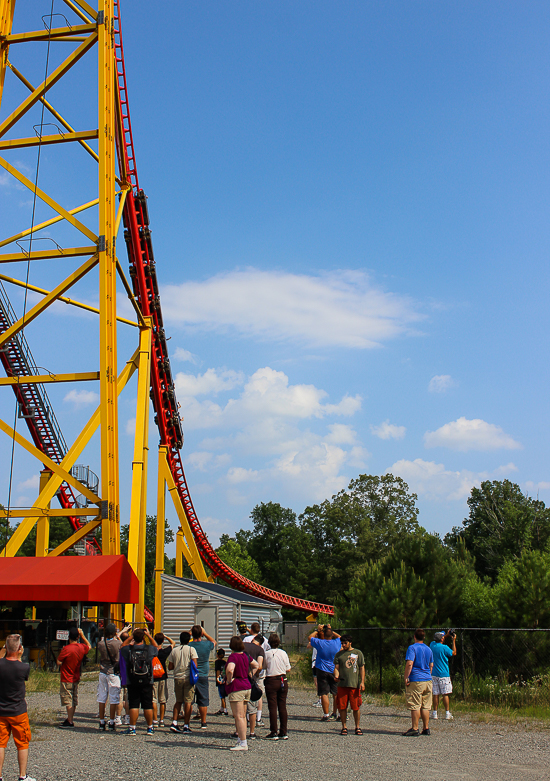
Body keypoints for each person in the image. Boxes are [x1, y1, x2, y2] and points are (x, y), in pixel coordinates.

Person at [0, 634, 35, 781]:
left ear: (6, 648)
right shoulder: (24, 667)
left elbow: (3, 658)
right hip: (18, 711)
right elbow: (20, 670)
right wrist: (19, 656)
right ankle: (22, 775)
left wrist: (3, 650)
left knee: (1, 743)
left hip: (1, 710)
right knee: (22, 743)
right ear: (20, 648)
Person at [119, 627, 159, 736]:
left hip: (132, 680)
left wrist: (132, 636)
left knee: (134, 705)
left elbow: (121, 646)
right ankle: (150, 728)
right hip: (147, 680)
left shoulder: (128, 650)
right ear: (143, 637)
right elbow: (157, 647)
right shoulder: (149, 649)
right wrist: (149, 636)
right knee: (147, 705)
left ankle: (132, 728)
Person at [225, 636, 258, 751]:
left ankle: (243, 742)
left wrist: (229, 680)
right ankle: (241, 739)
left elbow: (230, 669)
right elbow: (256, 665)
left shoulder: (233, 657)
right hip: (246, 686)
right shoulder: (246, 656)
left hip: (237, 687)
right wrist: (250, 674)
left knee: (238, 716)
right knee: (243, 715)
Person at [56, 626, 91, 727]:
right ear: (78, 637)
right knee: (74, 699)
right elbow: (89, 646)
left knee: (68, 699)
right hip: (76, 677)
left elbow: (59, 662)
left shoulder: (67, 649)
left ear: (69, 637)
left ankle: (70, 720)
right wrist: (83, 636)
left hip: (66, 677)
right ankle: (70, 718)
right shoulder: (81, 647)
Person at [403, 628, 434, 737]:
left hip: (416, 679)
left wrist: (406, 676)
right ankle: (426, 728)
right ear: (424, 638)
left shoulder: (412, 648)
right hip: (428, 679)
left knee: (415, 704)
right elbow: (431, 665)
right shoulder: (428, 649)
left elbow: (410, 663)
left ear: (414, 637)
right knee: (426, 705)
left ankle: (415, 728)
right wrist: (428, 675)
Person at [308, 624, 341, 721]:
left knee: (324, 693)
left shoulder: (320, 643)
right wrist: (330, 629)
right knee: (335, 692)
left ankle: (326, 714)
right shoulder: (336, 643)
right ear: (331, 635)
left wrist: (318, 630)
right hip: (334, 669)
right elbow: (340, 637)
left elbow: (310, 637)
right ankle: (337, 713)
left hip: (321, 669)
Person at [333, 634, 365, 736]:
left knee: (355, 707)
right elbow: (336, 668)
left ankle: (357, 727)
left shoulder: (357, 653)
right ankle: (344, 727)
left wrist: (362, 682)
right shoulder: (339, 655)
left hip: (354, 685)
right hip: (342, 685)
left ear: (350, 643)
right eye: (342, 643)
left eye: (345, 643)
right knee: (342, 707)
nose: (343, 645)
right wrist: (336, 676)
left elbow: (361, 668)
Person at [167, 631, 198, 734]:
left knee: (178, 701)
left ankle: (174, 722)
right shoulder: (191, 649)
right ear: (189, 639)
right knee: (188, 701)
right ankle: (186, 725)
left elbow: (170, 666)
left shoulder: (174, 651)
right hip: (188, 677)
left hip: (177, 678)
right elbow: (195, 665)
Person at [264, 633, 291, 741]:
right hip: (282, 679)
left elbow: (264, 666)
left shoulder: (266, 654)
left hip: (271, 680)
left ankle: (274, 731)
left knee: (272, 706)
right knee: (282, 706)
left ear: (269, 643)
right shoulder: (283, 653)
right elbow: (288, 668)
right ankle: (283, 731)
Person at [189, 625, 216, 729]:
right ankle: (203, 722)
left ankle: (187, 721)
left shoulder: (189, 645)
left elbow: (183, 640)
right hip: (203, 674)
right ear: (201, 634)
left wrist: (189, 632)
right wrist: (205, 633)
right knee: (203, 698)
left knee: (189, 699)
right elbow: (214, 642)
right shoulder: (206, 645)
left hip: (191, 673)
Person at [97, 623, 122, 732]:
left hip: (103, 671)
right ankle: (112, 721)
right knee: (113, 698)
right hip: (113, 672)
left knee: (102, 697)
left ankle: (102, 721)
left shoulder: (100, 644)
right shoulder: (118, 644)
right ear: (114, 633)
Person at [243, 623, 270, 725]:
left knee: (245, 697)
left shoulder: (245, 641)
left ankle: (245, 717)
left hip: (244, 672)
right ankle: (257, 718)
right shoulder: (264, 643)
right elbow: (259, 664)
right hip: (258, 673)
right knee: (258, 694)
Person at [430, 630, 456, 721]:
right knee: (445, 694)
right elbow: (454, 653)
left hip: (434, 673)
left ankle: (435, 713)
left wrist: (447, 635)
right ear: (441, 639)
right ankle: (447, 713)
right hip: (444, 674)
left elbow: (438, 640)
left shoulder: (432, 645)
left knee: (435, 694)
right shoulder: (445, 648)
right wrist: (453, 640)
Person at [243, 635, 265, 739]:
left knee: (241, 706)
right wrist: (253, 674)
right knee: (253, 705)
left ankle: (239, 731)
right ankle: (252, 732)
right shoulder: (260, 650)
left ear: (252, 640)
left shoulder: (243, 645)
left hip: (240, 678)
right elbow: (259, 665)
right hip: (250, 680)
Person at [153, 632, 175, 728]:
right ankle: (161, 720)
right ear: (162, 641)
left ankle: (154, 720)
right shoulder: (164, 652)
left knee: (153, 699)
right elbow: (173, 643)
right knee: (162, 700)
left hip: (153, 677)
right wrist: (166, 637)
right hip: (162, 676)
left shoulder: (151, 652)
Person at [214, 648, 228, 715]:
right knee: (223, 694)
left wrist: (217, 679)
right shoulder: (225, 662)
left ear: (217, 655)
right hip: (224, 679)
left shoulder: (217, 662)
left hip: (220, 680)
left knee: (221, 695)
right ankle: (222, 708)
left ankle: (225, 709)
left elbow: (218, 671)